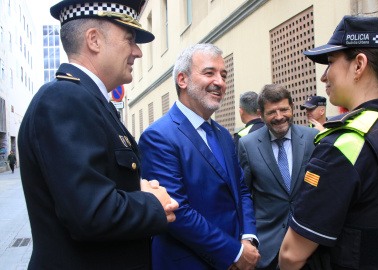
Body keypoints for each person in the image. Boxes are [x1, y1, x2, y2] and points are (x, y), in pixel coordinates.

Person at [18, 0, 178, 269]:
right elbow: (89, 213)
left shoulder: (88, 100)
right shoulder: (65, 99)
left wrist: (133, 189)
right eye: (130, 39)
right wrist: (152, 203)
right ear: (94, 40)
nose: (137, 52)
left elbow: (91, 188)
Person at [279, 15, 378, 269]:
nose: (324, 76)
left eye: (331, 62)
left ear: (359, 65)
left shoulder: (346, 144)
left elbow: (291, 254)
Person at [138, 43, 260, 270]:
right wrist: (233, 253)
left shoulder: (223, 135)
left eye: (224, 75)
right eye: (209, 73)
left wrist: (248, 238)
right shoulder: (158, 136)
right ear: (182, 80)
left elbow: (241, 191)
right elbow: (176, 210)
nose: (220, 82)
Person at [237, 84, 318, 269]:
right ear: (261, 114)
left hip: (308, 244)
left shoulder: (312, 138)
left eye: (284, 109)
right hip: (267, 248)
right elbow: (245, 196)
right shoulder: (247, 145)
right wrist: (246, 237)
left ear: (292, 107)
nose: (279, 117)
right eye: (272, 112)